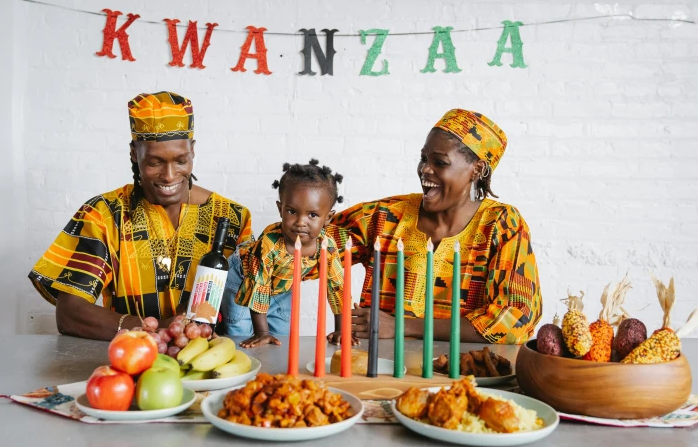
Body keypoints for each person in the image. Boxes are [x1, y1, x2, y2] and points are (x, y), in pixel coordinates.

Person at [28, 92, 253, 341]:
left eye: (180, 160)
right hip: (130, 360)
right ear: (135, 154)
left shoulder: (232, 217)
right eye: (154, 162)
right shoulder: (104, 215)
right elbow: (70, 314)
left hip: (214, 363)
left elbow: (252, 299)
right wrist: (154, 329)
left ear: (193, 151)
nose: (169, 175)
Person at [328, 109, 542, 344]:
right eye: (423, 159)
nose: (425, 170)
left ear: (477, 169)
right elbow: (306, 251)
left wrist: (400, 325)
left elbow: (514, 320)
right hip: (381, 369)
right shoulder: (387, 216)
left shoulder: (502, 225)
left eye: (440, 162)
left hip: (463, 373)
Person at [221, 159, 357, 348]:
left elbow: (337, 288)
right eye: (292, 211)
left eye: (312, 215)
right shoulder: (270, 244)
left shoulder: (327, 247)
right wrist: (261, 333)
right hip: (243, 280)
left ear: (328, 218)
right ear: (280, 209)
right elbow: (257, 284)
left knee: (282, 337)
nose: (301, 222)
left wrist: (342, 330)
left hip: (282, 287)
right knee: (240, 332)